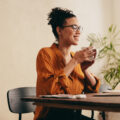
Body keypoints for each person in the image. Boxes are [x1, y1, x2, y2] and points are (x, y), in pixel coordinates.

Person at [34, 7, 100, 120]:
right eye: (74, 27)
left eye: (79, 28)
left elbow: (93, 90)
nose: (78, 31)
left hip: (72, 115)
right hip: (50, 116)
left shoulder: (75, 57)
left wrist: (84, 70)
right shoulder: (45, 53)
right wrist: (74, 62)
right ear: (59, 30)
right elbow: (51, 91)